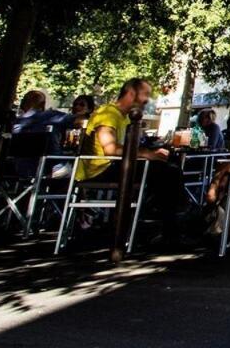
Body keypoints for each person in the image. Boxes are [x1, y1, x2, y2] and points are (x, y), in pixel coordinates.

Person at [79, 78, 185, 245]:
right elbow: (110, 149)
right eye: (145, 95)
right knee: (166, 172)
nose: (147, 101)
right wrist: (146, 153)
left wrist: (153, 150)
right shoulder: (107, 114)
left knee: (169, 167)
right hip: (101, 169)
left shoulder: (126, 118)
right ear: (131, 94)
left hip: (117, 166)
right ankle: (171, 223)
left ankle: (170, 220)